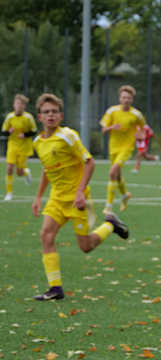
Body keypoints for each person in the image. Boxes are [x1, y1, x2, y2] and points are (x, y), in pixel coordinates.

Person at [31, 93, 129, 301]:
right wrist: (38, 197)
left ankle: (110, 224)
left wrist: (79, 192)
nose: (50, 115)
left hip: (78, 200)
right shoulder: (38, 142)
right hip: (57, 199)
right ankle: (55, 288)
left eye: (54, 112)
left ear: (61, 116)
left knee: (85, 246)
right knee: (46, 236)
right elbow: (47, 171)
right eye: (46, 112)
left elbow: (89, 162)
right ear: (39, 117)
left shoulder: (68, 135)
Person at [100, 85, 146, 212]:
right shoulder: (111, 111)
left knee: (112, 173)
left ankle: (108, 206)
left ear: (132, 100)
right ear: (120, 98)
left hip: (127, 148)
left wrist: (141, 136)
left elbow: (143, 130)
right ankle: (125, 195)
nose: (126, 100)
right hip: (113, 147)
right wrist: (111, 127)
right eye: (124, 97)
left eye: (129, 98)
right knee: (117, 176)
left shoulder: (137, 115)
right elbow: (104, 129)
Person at [3, 94, 35, 201]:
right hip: (12, 145)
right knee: (9, 167)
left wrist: (25, 135)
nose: (19, 106)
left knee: (19, 172)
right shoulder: (10, 117)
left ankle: (26, 172)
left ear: (24, 106)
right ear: (14, 105)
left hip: (24, 147)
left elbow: (34, 131)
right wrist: (8, 132)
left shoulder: (28, 117)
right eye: (17, 103)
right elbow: (4, 131)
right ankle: (9, 193)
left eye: (21, 104)